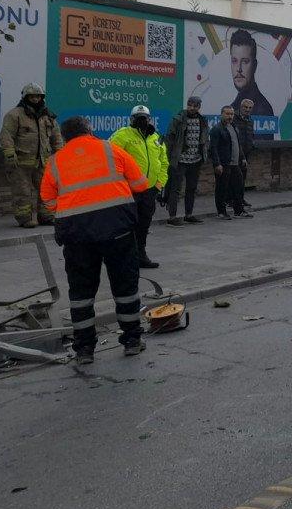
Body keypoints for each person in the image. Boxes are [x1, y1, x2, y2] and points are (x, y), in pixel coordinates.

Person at [39, 116, 149, 364]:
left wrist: (72, 210)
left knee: (81, 293)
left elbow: (47, 199)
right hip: (117, 230)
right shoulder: (112, 150)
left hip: (77, 237)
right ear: (90, 130)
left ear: (65, 137)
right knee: (125, 288)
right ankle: (132, 340)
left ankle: (84, 349)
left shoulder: (55, 161)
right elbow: (141, 184)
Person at [108, 105, 168, 268]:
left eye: (145, 117)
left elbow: (163, 163)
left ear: (150, 119)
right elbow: (110, 160)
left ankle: (141, 255)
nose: (142, 120)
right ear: (132, 119)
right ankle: (123, 258)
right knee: (126, 226)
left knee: (143, 225)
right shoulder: (122, 135)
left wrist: (158, 184)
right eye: (138, 117)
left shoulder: (156, 137)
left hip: (149, 191)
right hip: (129, 191)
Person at [0, 83, 63, 227]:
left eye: (38, 96)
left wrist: (60, 153)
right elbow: (6, 135)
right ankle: (25, 219)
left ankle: (46, 216)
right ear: (25, 97)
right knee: (23, 191)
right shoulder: (14, 115)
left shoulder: (48, 116)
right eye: (32, 96)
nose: (35, 99)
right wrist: (9, 153)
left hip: (43, 162)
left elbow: (56, 137)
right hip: (20, 163)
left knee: (46, 190)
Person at [163, 96, 209, 226]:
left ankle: (189, 215)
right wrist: (169, 158)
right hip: (180, 160)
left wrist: (204, 154)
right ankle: (172, 217)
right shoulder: (178, 119)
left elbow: (205, 139)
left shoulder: (202, 120)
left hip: (196, 160)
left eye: (195, 106)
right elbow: (170, 139)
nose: (192, 108)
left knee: (192, 188)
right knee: (175, 189)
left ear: (199, 107)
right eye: (190, 105)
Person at [209, 105, 248, 220]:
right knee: (222, 188)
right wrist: (217, 164)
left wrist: (243, 158)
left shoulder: (234, 127)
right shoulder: (217, 129)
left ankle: (239, 211)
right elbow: (213, 148)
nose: (230, 116)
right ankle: (221, 212)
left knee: (239, 186)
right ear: (221, 114)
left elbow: (237, 145)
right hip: (223, 164)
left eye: (231, 114)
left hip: (235, 164)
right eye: (227, 114)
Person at [229, 29, 274, 118]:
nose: (239, 69)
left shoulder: (262, 109)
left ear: (254, 65)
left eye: (245, 62)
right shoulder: (235, 106)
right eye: (234, 61)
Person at [234, 97, 256, 213]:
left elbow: (251, 135)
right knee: (235, 178)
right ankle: (232, 200)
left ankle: (240, 199)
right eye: (245, 107)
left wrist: (252, 145)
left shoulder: (250, 120)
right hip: (235, 153)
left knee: (243, 178)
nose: (247, 110)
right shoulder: (234, 118)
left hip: (246, 153)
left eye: (250, 108)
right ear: (240, 107)